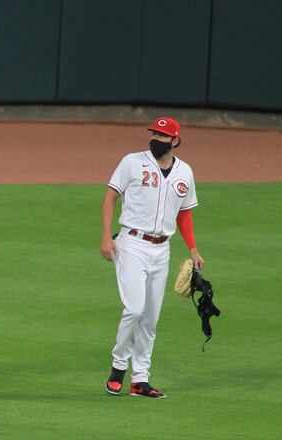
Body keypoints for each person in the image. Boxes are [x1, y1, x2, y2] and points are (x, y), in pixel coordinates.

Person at [100, 117, 204, 399]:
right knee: (134, 309)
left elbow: (185, 212)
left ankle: (140, 380)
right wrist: (106, 236)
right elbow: (110, 196)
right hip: (131, 244)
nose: (157, 139)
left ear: (175, 141)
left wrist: (193, 248)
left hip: (162, 249)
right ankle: (118, 367)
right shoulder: (132, 162)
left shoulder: (185, 172)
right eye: (155, 134)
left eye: (163, 135)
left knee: (150, 318)